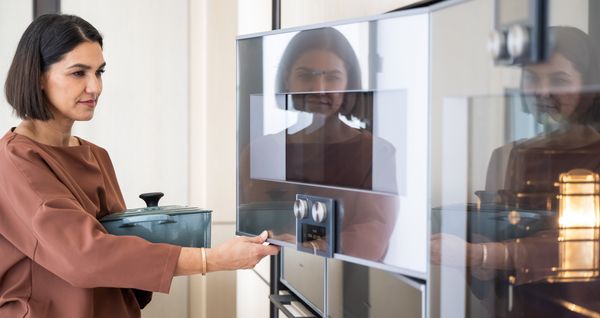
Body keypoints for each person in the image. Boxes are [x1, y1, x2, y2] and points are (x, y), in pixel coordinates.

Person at [0, 14, 279, 318]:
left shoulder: (95, 155)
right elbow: (83, 256)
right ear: (38, 76)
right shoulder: (14, 161)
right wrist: (212, 259)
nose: (95, 87)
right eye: (78, 73)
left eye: (99, 72)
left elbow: (118, 253)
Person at [431, 26, 600, 317]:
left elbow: (583, 248)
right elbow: (491, 284)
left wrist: (482, 253)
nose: (541, 92)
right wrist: (472, 256)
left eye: (559, 80)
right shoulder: (505, 156)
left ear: (590, 86)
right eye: (532, 78)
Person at [240, 27, 398, 261]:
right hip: (274, 273)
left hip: (350, 286)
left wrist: (311, 247)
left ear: (349, 83)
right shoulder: (261, 153)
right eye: (306, 75)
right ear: (287, 79)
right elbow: (251, 229)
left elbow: (374, 235)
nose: (320, 88)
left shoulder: (377, 152)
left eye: (332, 76)